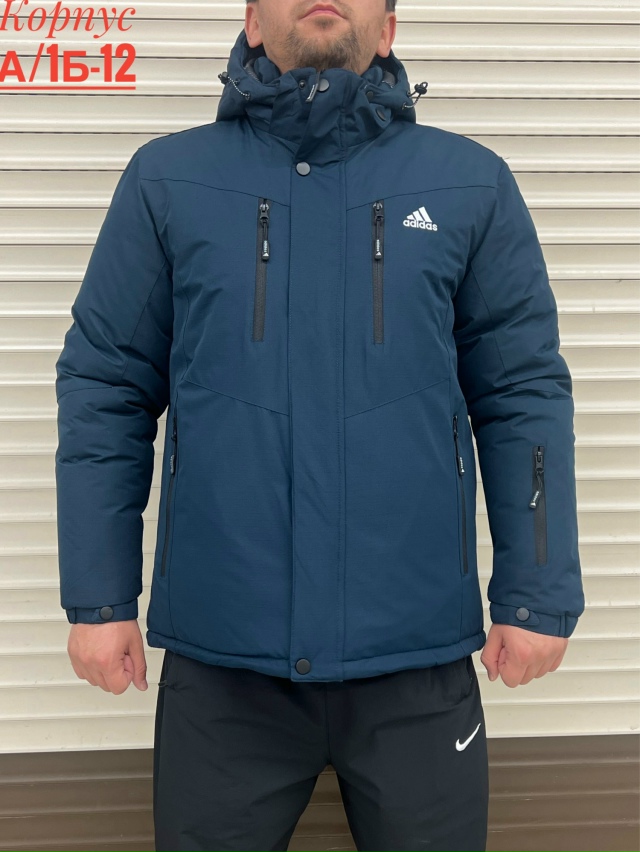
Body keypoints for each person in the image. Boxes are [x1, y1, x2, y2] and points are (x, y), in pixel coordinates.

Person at [54, 1, 586, 850]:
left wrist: (538, 592)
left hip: (417, 664)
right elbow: (106, 386)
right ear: (252, 22)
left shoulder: (470, 185)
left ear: (390, 28)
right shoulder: (167, 181)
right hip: (223, 667)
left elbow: (522, 392)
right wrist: (98, 596)